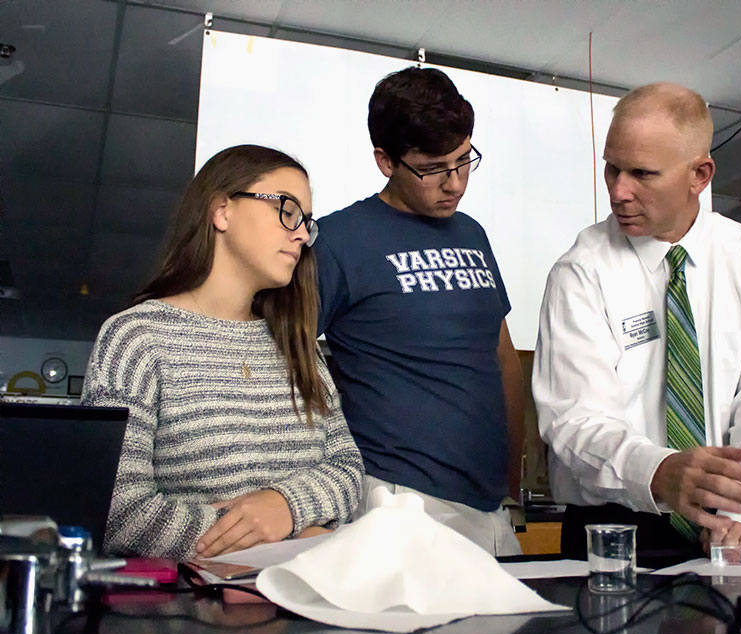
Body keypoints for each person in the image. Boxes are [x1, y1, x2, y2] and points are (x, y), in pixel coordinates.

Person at [533, 82, 741, 561]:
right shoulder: (581, 270)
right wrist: (659, 472)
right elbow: (573, 419)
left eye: (642, 173)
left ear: (699, 174)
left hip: (728, 527)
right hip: (611, 527)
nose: (619, 191)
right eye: (611, 167)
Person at [82, 145, 364, 560]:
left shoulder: (296, 345)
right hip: (189, 617)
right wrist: (274, 539)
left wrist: (284, 506)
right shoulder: (137, 339)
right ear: (222, 211)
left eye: (307, 222)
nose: (302, 234)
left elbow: (348, 472)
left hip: (310, 607)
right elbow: (119, 513)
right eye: (287, 210)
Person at [313, 67, 525, 556]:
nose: (455, 183)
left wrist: (511, 486)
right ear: (385, 161)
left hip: (491, 509)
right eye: (433, 168)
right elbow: (283, 367)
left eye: (464, 160)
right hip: (396, 503)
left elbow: (502, 359)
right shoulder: (336, 241)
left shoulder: (472, 233)